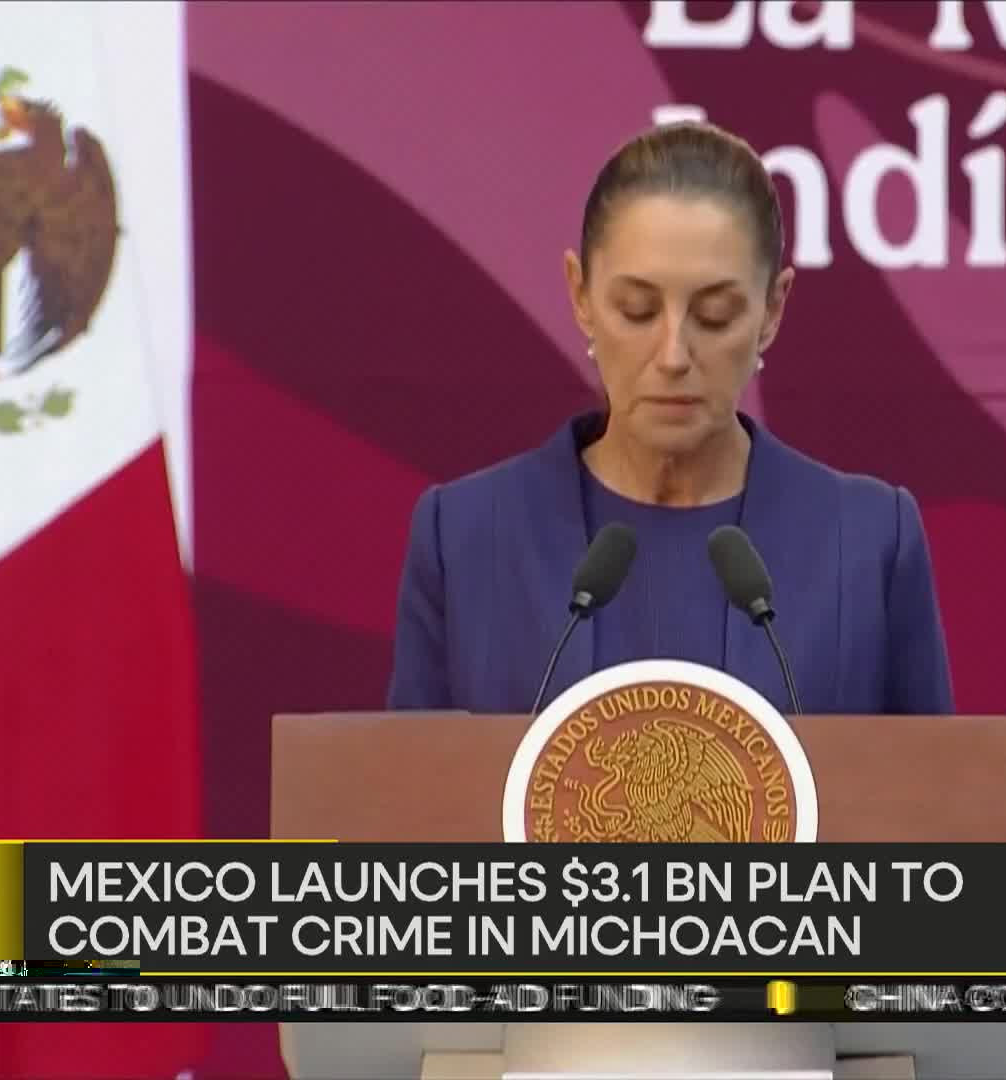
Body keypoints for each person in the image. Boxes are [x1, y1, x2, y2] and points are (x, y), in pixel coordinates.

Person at [385, 121, 955, 717]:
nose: (673, 355)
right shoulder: (468, 536)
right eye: (637, 310)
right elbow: (411, 796)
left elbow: (937, 800)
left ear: (772, 309)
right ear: (581, 295)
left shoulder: (866, 541)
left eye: (714, 315)